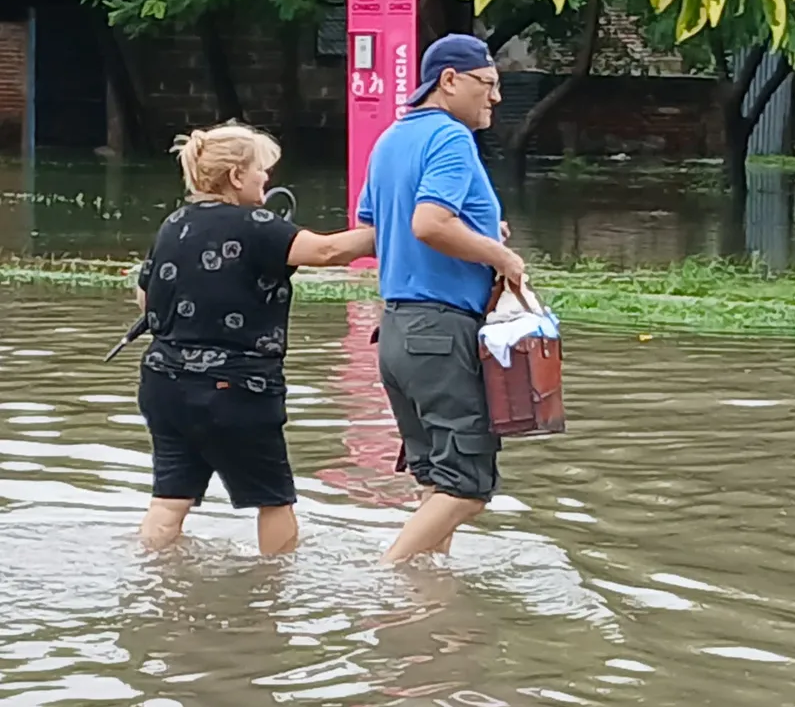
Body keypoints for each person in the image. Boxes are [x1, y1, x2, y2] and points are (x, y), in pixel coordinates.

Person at [135, 121, 375, 555]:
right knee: (274, 500)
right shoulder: (258, 225)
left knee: (170, 499)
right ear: (236, 176)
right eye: (261, 169)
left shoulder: (173, 224)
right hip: (236, 390)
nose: (267, 178)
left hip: (163, 384)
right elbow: (327, 251)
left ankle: (152, 582)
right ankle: (273, 598)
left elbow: (144, 297)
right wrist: (400, 230)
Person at [356, 33, 525, 565]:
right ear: (449, 81)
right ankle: (384, 577)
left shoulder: (390, 139)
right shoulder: (451, 139)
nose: (495, 98)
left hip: (397, 335)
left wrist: (478, 231)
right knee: (468, 486)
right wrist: (501, 257)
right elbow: (429, 224)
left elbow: (375, 232)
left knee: (436, 484)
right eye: (489, 84)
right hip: (440, 331)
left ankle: (429, 598)